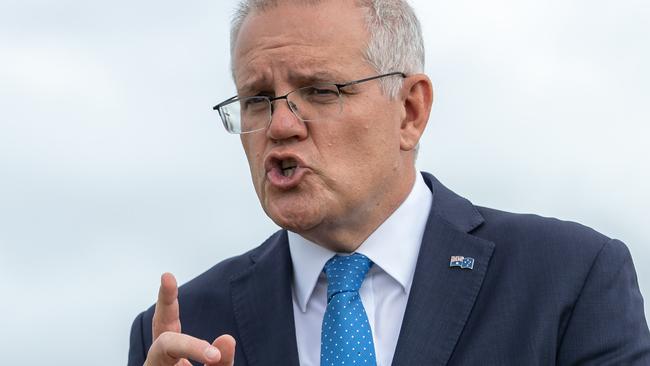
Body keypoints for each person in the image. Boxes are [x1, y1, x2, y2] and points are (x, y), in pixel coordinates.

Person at [128, 0, 650, 365]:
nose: (280, 125)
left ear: (410, 111)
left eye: (319, 91)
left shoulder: (569, 278)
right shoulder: (181, 329)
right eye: (257, 100)